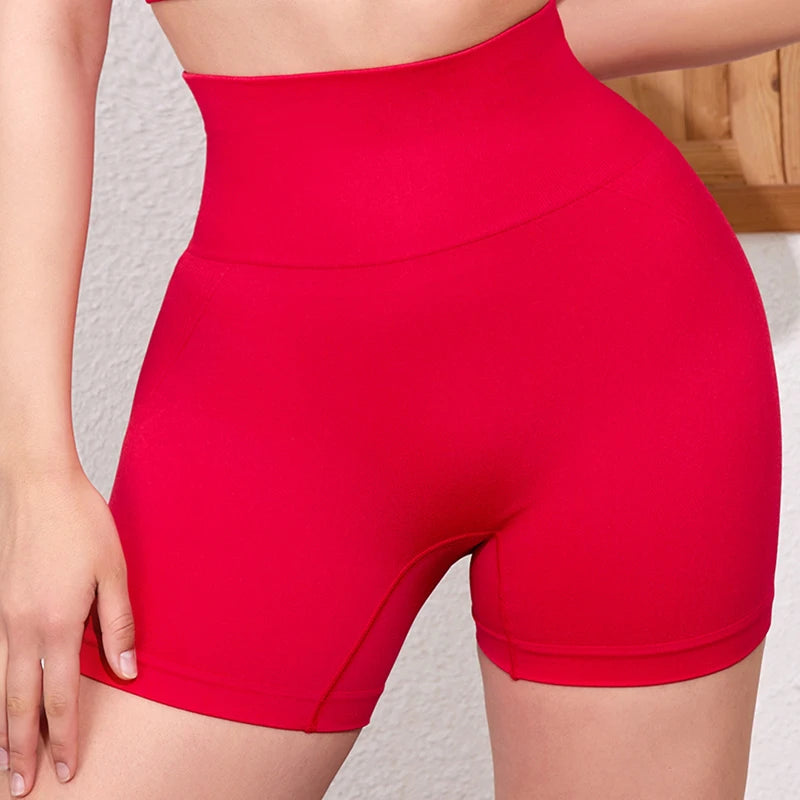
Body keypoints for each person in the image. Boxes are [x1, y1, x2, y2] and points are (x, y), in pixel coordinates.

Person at [0, 0, 791, 796]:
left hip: (627, 338)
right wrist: (36, 477)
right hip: (278, 390)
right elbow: (45, 36)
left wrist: (503, 48)